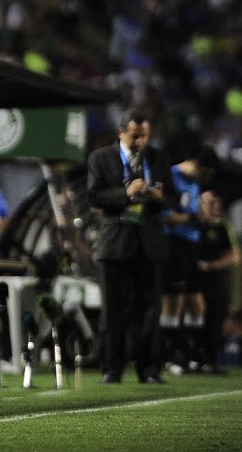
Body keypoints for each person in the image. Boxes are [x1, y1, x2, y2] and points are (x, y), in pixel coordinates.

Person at [87, 109, 173, 384]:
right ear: (120, 132)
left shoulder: (158, 158)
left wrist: (160, 197)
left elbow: (171, 198)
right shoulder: (101, 158)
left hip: (149, 243)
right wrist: (125, 193)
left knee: (149, 311)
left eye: (145, 136)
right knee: (113, 311)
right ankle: (112, 368)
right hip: (115, 243)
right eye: (135, 136)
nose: (140, 142)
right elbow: (94, 197)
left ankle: (148, 370)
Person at [160, 148, 217, 374]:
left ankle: (195, 356)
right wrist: (193, 217)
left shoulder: (195, 182)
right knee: (173, 301)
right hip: (173, 244)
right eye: (204, 174)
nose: (203, 180)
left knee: (196, 302)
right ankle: (170, 355)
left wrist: (204, 215)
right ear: (195, 163)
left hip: (192, 244)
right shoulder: (171, 175)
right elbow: (165, 215)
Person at [197, 189, 241, 372]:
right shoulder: (194, 226)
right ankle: (191, 357)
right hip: (195, 282)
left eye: (216, 203)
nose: (214, 207)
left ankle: (211, 360)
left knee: (216, 319)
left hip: (217, 281)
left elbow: (235, 256)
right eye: (210, 203)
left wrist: (212, 265)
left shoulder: (222, 226)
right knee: (197, 319)